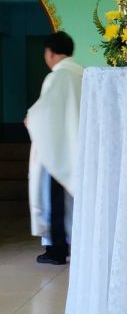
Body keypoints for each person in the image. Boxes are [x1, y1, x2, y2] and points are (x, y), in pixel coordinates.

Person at [26, 31, 83, 264]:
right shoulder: (83, 73)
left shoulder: (57, 77)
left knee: (55, 199)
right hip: (79, 145)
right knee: (73, 201)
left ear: (50, 53)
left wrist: (30, 118)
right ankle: (73, 244)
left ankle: (57, 250)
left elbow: (45, 112)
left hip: (59, 147)